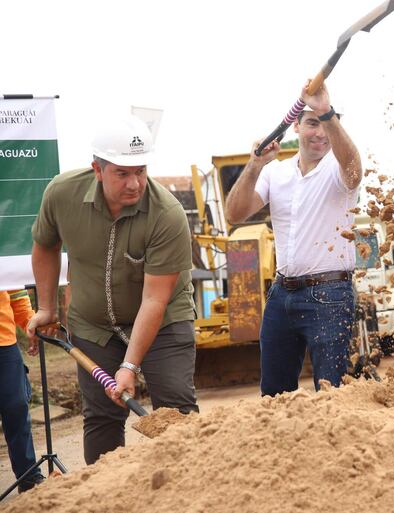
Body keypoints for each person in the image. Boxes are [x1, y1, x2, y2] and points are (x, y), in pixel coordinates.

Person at [27, 115, 199, 464]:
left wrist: (130, 366)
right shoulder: (62, 194)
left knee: (177, 411)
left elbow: (154, 299)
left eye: (141, 170)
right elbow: (45, 245)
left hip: (163, 321)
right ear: (97, 169)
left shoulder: (167, 214)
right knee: (102, 416)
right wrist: (46, 307)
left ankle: (190, 487)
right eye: (122, 173)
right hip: (93, 327)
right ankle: (104, 497)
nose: (135, 183)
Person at [224, 82, 362, 396]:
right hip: (281, 295)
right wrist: (255, 164)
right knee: (274, 394)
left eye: (327, 123)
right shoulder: (275, 173)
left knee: (333, 392)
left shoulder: (338, 172)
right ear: (296, 125)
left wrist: (326, 111)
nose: (320, 132)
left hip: (329, 295)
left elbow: (353, 167)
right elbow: (234, 213)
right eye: (312, 122)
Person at [0, 290, 45, 493]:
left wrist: (31, 323)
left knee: (17, 406)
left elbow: (16, 294)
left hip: (4, 343)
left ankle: (28, 477)